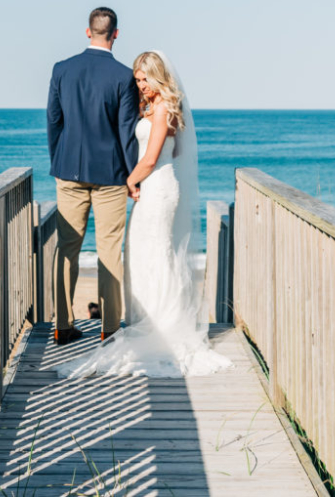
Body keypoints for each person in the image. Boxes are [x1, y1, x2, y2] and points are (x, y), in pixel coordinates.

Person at [57, 50, 229, 377]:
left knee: (157, 256)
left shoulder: (163, 108)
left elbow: (151, 159)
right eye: (136, 79)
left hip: (159, 189)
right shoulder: (156, 107)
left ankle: (162, 329)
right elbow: (172, 151)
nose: (139, 85)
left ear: (158, 76)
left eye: (144, 79)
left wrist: (128, 181)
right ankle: (151, 321)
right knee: (143, 255)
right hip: (154, 187)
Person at [47, 6, 139, 344]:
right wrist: (134, 176)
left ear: (88, 32)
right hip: (111, 173)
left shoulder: (62, 70)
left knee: (67, 248)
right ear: (115, 34)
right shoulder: (123, 76)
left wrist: (60, 159)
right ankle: (110, 327)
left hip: (68, 169)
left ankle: (62, 325)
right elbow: (126, 131)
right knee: (109, 249)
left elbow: (54, 121)